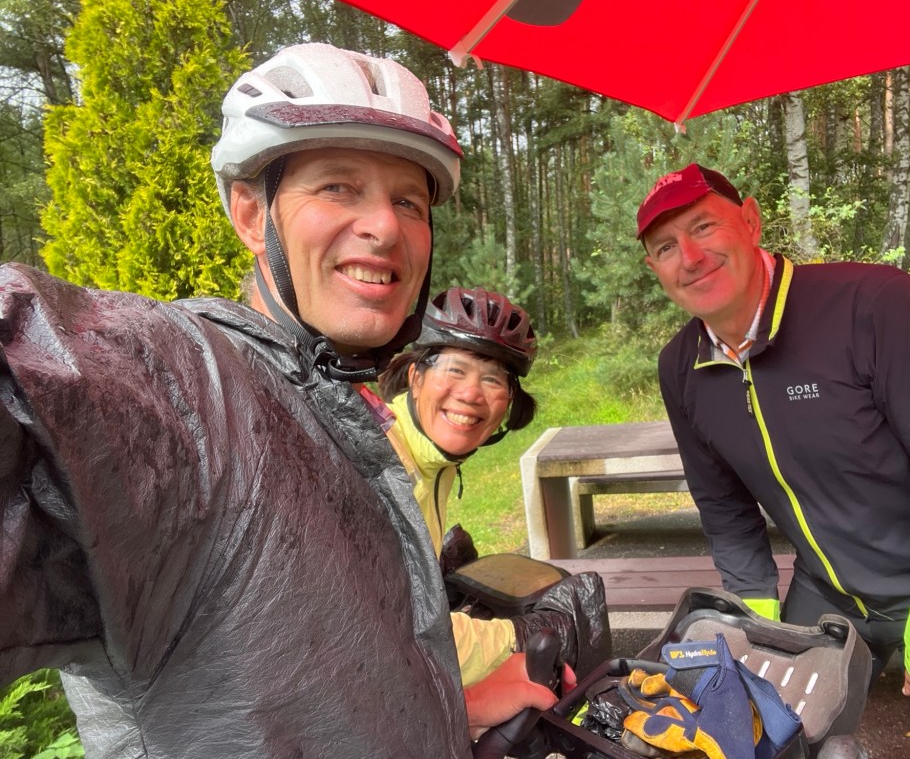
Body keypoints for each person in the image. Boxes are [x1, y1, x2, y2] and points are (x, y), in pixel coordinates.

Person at [0, 43, 555, 757]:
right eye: (338, 187)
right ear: (249, 213)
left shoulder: (335, 405)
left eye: (408, 202)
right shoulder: (186, 379)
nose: (385, 227)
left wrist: (451, 712)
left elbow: (343, 676)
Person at [638, 163, 910, 759]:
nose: (689, 256)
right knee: (757, 741)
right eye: (666, 246)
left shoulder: (875, 305)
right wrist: (751, 628)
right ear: (654, 269)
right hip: (829, 592)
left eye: (704, 227)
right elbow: (725, 510)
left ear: (751, 220)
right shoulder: (680, 366)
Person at [376, 286, 611, 687]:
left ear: (509, 401)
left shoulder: (430, 459)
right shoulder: (385, 465)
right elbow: (394, 636)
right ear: (415, 377)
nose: (470, 394)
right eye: (454, 369)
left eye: (491, 379)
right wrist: (520, 636)